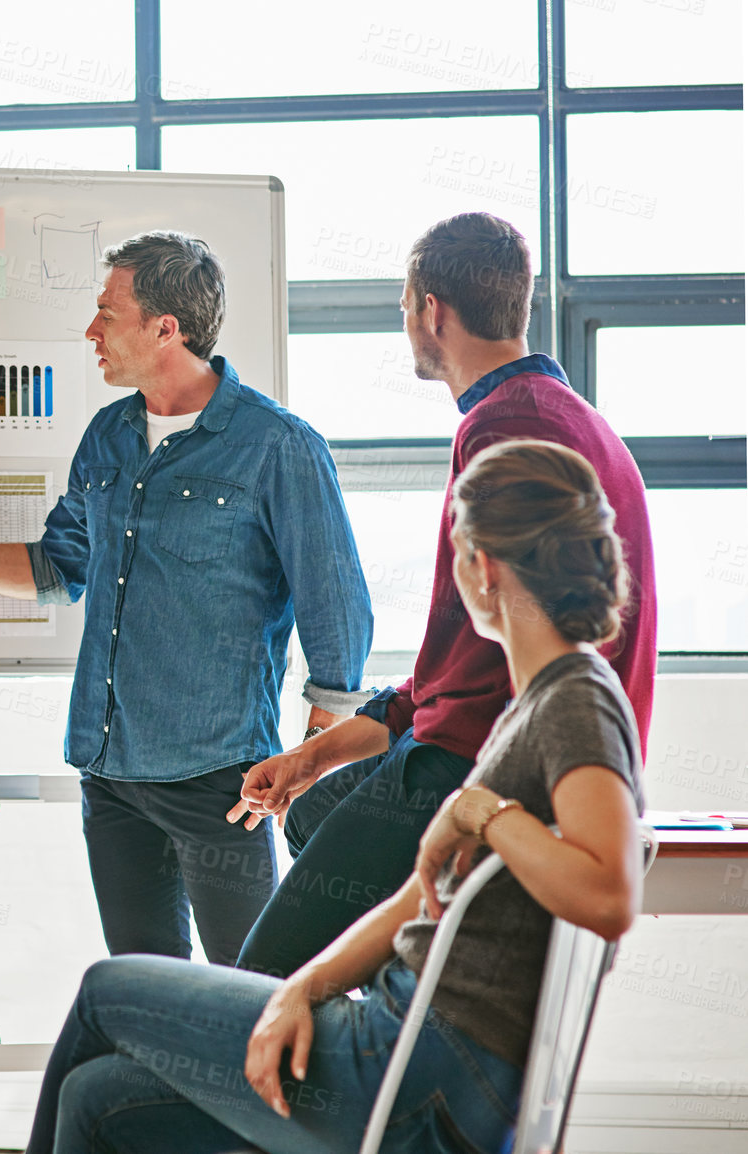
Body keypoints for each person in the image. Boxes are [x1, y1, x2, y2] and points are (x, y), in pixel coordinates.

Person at [27, 438, 647, 1154]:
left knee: (107, 990)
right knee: (97, 1100)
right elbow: (418, 901)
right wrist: (305, 986)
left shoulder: (574, 699)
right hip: (413, 1060)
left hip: (411, 1072)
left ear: (481, 568)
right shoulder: (536, 703)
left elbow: (607, 894)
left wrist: (483, 812)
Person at [0, 231, 373, 966]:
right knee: (139, 988)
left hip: (221, 778)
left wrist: (311, 756)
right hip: (109, 770)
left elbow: (335, 603)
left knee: (253, 989)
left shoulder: (276, 445)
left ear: (165, 328)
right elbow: (60, 567)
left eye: (106, 312)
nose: (91, 331)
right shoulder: (108, 435)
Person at [230, 212, 657, 979]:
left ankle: (342, 1046)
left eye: (403, 305)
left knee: (259, 980)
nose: (405, 322)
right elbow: (447, 678)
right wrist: (311, 759)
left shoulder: (504, 430)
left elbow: (458, 694)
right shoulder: (575, 420)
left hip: (484, 765)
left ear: (432, 310)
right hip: (515, 751)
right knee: (318, 817)